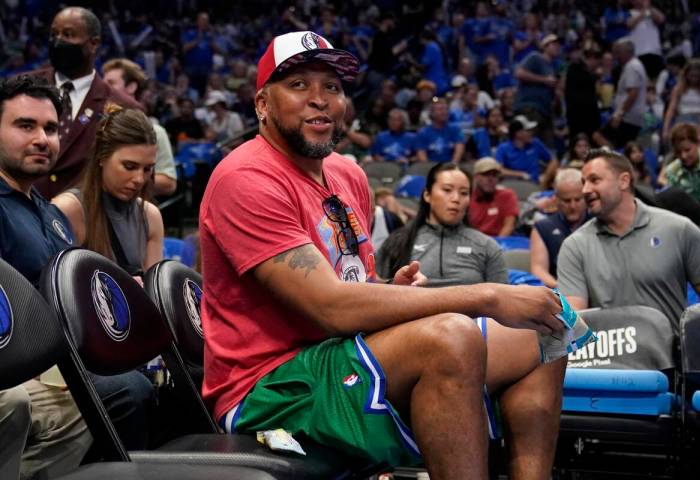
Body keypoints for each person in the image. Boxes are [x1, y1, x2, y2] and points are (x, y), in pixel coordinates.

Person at [200, 31, 567, 479]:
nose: (320, 100)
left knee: (548, 326)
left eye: (331, 87)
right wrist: (486, 296)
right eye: (299, 85)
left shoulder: (345, 174)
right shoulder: (246, 178)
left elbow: (352, 286)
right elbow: (330, 306)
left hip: (337, 353)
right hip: (271, 386)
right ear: (262, 104)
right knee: (451, 336)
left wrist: (387, 293)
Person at [0, 74, 91, 480]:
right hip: (14, 368)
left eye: (51, 129)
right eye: (25, 126)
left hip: (60, 365)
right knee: (117, 393)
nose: (42, 139)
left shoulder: (53, 216)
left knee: (97, 397)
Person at [557, 149, 700, 326]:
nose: (585, 190)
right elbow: (574, 319)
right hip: (609, 353)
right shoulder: (574, 246)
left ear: (624, 181)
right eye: (583, 182)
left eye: (594, 180)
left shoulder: (679, 229)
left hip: (672, 352)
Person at [26, 7, 141, 199]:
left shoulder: (123, 108)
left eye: (68, 34)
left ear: (94, 43)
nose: (57, 40)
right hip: (19, 215)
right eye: (54, 34)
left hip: (86, 220)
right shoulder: (20, 89)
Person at [52, 107, 164, 275]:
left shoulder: (150, 216)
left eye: (147, 169)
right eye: (129, 166)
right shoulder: (68, 209)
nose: (139, 179)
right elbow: (56, 287)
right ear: (102, 157)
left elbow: (155, 293)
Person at [377, 162, 507, 287]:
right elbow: (377, 291)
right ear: (427, 195)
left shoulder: (487, 246)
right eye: (447, 190)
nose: (456, 199)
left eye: (464, 193)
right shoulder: (398, 241)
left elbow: (502, 302)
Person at [101, 58, 178, 196]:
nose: (103, 89)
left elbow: (168, 183)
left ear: (131, 87)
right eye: (103, 83)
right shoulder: (98, 127)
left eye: (111, 83)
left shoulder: (155, 132)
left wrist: (122, 177)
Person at [530, 169, 588, 288]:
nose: (573, 206)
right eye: (567, 201)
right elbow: (539, 270)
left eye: (578, 199)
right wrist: (564, 289)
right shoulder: (543, 228)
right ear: (556, 199)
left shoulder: (599, 223)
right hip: (560, 292)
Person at [665, 123, 700, 241]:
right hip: (692, 228)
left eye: (687, 150)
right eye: (678, 152)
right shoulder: (672, 171)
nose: (683, 156)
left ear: (698, 143)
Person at [513, 34, 562, 146]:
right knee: (530, 143)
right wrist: (544, 80)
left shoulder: (552, 67)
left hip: (544, 111)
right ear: (544, 46)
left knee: (545, 146)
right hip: (530, 107)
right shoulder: (535, 57)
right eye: (553, 44)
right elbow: (519, 73)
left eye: (558, 45)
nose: (557, 47)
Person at [601, 37, 647, 149]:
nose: (616, 56)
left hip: (627, 117)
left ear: (626, 52)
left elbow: (633, 93)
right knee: (622, 145)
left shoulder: (632, 66)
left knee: (600, 137)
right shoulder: (633, 65)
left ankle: (614, 159)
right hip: (629, 116)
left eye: (618, 52)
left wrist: (619, 114)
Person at [495, 115, 557, 186]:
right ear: (518, 133)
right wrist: (520, 174)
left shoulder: (535, 143)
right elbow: (499, 170)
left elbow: (553, 161)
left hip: (536, 185)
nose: (531, 133)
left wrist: (545, 178)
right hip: (514, 186)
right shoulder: (503, 148)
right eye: (528, 131)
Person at [467, 157, 520, 238]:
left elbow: (509, 226)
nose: (490, 179)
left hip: (501, 244)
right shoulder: (467, 198)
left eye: (494, 175)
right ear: (476, 177)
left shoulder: (507, 195)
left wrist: (495, 248)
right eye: (486, 174)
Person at [415, 98, 465, 164]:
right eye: (440, 109)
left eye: (446, 109)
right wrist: (429, 168)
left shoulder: (455, 129)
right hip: (431, 166)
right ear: (432, 113)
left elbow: (459, 148)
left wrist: (453, 164)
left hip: (451, 165)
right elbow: (421, 153)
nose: (444, 112)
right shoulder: (423, 132)